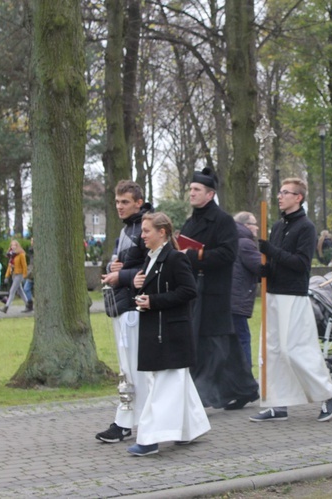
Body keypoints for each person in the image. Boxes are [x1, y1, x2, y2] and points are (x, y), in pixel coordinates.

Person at [251, 177, 332, 422]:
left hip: (293, 296)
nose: (279, 196)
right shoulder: (279, 227)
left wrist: (271, 251)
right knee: (273, 351)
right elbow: (277, 261)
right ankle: (278, 404)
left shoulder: (306, 227)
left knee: (295, 351)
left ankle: (328, 393)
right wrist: (265, 271)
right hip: (274, 294)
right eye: (279, 192)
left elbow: (301, 264)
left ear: (298, 197)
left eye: (285, 192)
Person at [125, 212, 210, 456]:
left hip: (171, 334)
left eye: (146, 231)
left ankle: (150, 438)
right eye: (142, 231)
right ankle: (190, 429)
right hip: (157, 331)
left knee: (164, 388)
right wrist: (139, 293)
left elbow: (188, 291)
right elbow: (152, 289)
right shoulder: (150, 259)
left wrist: (153, 300)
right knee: (174, 383)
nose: (142, 236)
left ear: (162, 232)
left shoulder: (174, 259)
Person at [180, 167, 259, 411]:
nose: (191, 193)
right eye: (191, 189)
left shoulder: (224, 221)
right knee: (222, 344)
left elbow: (227, 254)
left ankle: (201, 396)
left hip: (215, 290)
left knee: (212, 344)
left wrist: (193, 255)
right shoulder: (189, 222)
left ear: (210, 194)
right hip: (195, 289)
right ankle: (244, 389)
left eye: (196, 190)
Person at [95, 180, 153, 444]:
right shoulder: (128, 229)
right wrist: (113, 267)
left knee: (134, 369)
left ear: (138, 203)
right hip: (122, 302)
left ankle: (129, 421)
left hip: (134, 304)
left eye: (125, 202)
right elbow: (127, 263)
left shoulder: (145, 227)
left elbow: (151, 265)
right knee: (127, 368)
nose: (119, 206)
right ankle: (127, 420)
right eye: (117, 202)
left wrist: (121, 276)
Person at [231, 211, 262, 369]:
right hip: (237, 300)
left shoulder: (230, 240)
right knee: (242, 338)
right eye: (254, 224)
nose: (257, 228)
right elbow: (260, 267)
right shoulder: (245, 243)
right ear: (246, 226)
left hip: (228, 299)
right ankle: (246, 378)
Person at [0, 240, 28, 314]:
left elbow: (24, 266)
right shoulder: (11, 256)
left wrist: (25, 275)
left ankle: (6, 307)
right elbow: (9, 266)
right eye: (12, 245)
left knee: (12, 291)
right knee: (20, 291)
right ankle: (28, 304)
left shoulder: (21, 254)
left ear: (17, 246)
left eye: (14, 245)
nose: (13, 246)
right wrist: (7, 276)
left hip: (19, 274)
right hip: (14, 274)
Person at [22, 237, 34, 313]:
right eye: (31, 241)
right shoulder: (31, 250)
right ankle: (29, 304)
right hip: (32, 273)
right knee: (26, 288)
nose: (32, 242)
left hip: (34, 272)